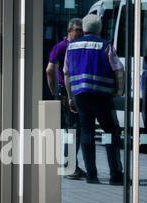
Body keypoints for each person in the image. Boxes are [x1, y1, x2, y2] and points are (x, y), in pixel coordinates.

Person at [64, 14, 124, 185]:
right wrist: (119, 91)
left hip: (81, 96)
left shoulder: (72, 46)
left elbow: (66, 73)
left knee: (86, 132)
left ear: (84, 29)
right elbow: (119, 69)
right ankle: (115, 174)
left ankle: (91, 174)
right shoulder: (105, 45)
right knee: (110, 132)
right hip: (102, 96)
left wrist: (70, 97)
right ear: (99, 29)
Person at [46, 18, 86, 180]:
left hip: (75, 91)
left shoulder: (77, 46)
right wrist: (56, 92)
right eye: (77, 30)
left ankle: (72, 164)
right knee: (72, 130)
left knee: (75, 129)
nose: (80, 33)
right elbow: (49, 70)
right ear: (69, 31)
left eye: (81, 30)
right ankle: (69, 166)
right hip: (67, 92)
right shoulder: (62, 47)